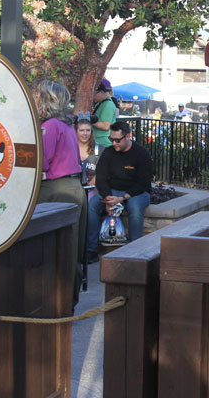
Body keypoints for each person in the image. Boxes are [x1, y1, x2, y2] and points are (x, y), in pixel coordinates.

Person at [34, 80, 87, 303]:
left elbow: (41, 163)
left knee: (53, 249)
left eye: (37, 95)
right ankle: (69, 299)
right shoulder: (67, 125)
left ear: (46, 99)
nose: (35, 99)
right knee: (73, 249)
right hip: (74, 188)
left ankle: (55, 300)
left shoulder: (51, 126)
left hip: (56, 190)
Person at [86, 120, 153, 263]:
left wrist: (122, 198)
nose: (114, 143)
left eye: (117, 140)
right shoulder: (109, 152)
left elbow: (143, 182)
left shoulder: (141, 154)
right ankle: (90, 250)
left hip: (136, 192)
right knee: (92, 206)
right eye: (112, 139)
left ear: (128, 137)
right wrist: (107, 198)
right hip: (112, 191)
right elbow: (101, 177)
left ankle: (134, 251)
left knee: (135, 208)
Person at [76, 116, 99, 196]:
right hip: (74, 190)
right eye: (81, 130)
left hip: (93, 190)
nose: (85, 133)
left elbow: (103, 171)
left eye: (88, 130)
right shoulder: (70, 150)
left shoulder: (99, 149)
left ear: (91, 132)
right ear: (76, 132)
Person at [92, 78, 118, 148]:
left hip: (103, 144)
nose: (93, 96)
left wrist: (88, 119)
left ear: (102, 92)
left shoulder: (108, 105)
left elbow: (105, 126)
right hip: (100, 143)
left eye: (94, 93)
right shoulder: (102, 103)